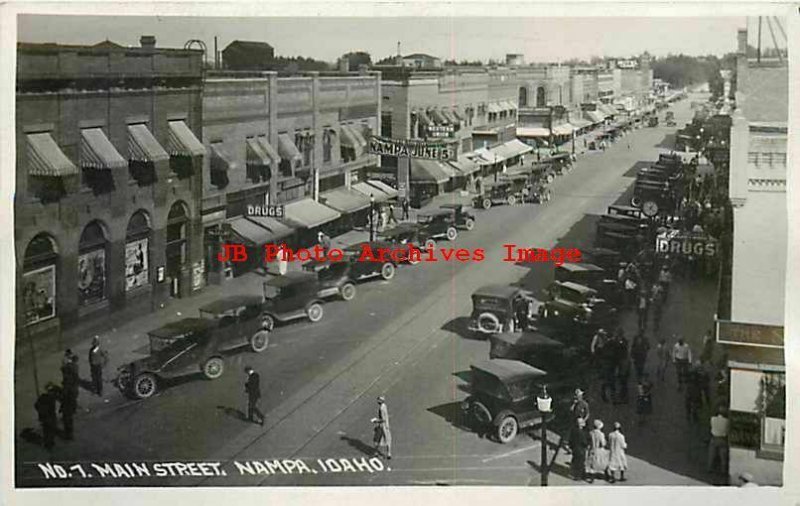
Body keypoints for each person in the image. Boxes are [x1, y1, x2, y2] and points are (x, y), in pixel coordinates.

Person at [35, 383, 59, 450]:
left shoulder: (50, 397)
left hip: (50, 417)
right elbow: (37, 405)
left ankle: (50, 442)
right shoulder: (44, 397)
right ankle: (48, 444)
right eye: (51, 391)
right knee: (47, 431)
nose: (52, 392)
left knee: (50, 431)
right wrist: (42, 411)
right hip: (47, 417)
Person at [707, 407, 729, 475]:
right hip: (722, 439)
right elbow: (727, 430)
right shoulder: (727, 421)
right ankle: (723, 470)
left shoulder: (713, 419)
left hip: (714, 438)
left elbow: (710, 427)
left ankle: (709, 468)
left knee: (711, 455)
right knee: (723, 457)